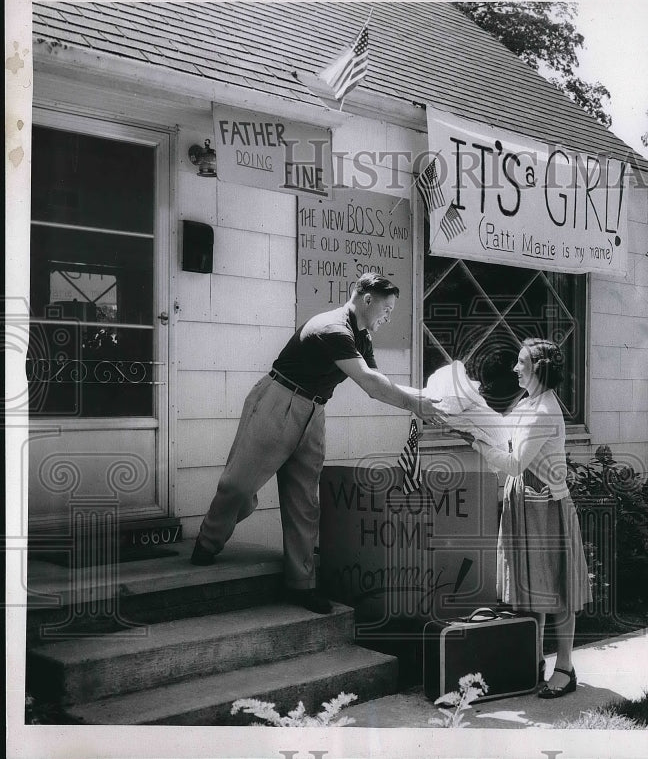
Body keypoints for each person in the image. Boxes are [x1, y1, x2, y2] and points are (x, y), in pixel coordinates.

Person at [191, 273, 447, 614]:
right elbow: (370, 383)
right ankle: (207, 543)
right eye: (387, 308)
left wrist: (432, 400)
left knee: (304, 501)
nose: (388, 317)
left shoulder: (361, 338)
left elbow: (380, 381)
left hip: (314, 411)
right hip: (278, 400)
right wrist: (417, 404)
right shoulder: (332, 327)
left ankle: (300, 584)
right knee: (237, 486)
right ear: (366, 299)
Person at [456, 338, 592, 698]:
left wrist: (477, 442)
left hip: (546, 507)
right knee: (532, 589)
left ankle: (565, 668)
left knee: (558, 590)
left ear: (540, 369)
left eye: (521, 363)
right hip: (527, 501)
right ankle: (534, 663)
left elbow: (515, 461)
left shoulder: (544, 411)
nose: (515, 369)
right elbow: (511, 445)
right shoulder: (528, 404)